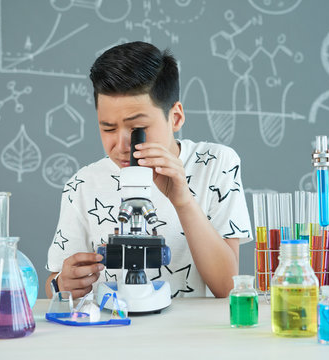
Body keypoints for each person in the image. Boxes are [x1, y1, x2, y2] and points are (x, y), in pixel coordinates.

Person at [45, 41, 251, 299]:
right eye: (108, 128)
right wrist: (62, 285)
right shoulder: (83, 184)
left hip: (190, 335)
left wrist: (183, 200)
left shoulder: (215, 163)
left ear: (175, 117)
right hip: (111, 329)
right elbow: (55, 282)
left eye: (136, 129)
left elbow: (228, 288)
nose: (121, 146)